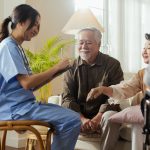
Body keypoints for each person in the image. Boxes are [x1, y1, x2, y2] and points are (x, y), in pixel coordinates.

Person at [0, 4, 81, 150]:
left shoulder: (17, 48)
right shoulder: (8, 46)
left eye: (38, 26)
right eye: (35, 24)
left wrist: (58, 71)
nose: (36, 30)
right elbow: (26, 83)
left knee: (70, 118)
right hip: (16, 109)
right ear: (21, 22)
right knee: (72, 120)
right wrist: (55, 67)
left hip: (23, 106)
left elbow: (32, 85)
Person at [62, 27, 124, 150]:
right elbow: (67, 98)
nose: (84, 46)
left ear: (99, 44)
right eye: (81, 42)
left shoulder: (113, 65)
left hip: (104, 113)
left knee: (111, 116)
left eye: (89, 42)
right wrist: (83, 120)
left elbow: (115, 96)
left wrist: (97, 118)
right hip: (79, 114)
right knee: (63, 111)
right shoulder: (71, 67)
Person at [86, 33, 150, 149]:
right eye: (143, 48)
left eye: (148, 48)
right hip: (144, 118)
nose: (144, 51)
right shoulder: (142, 73)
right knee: (137, 121)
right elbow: (126, 88)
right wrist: (103, 89)